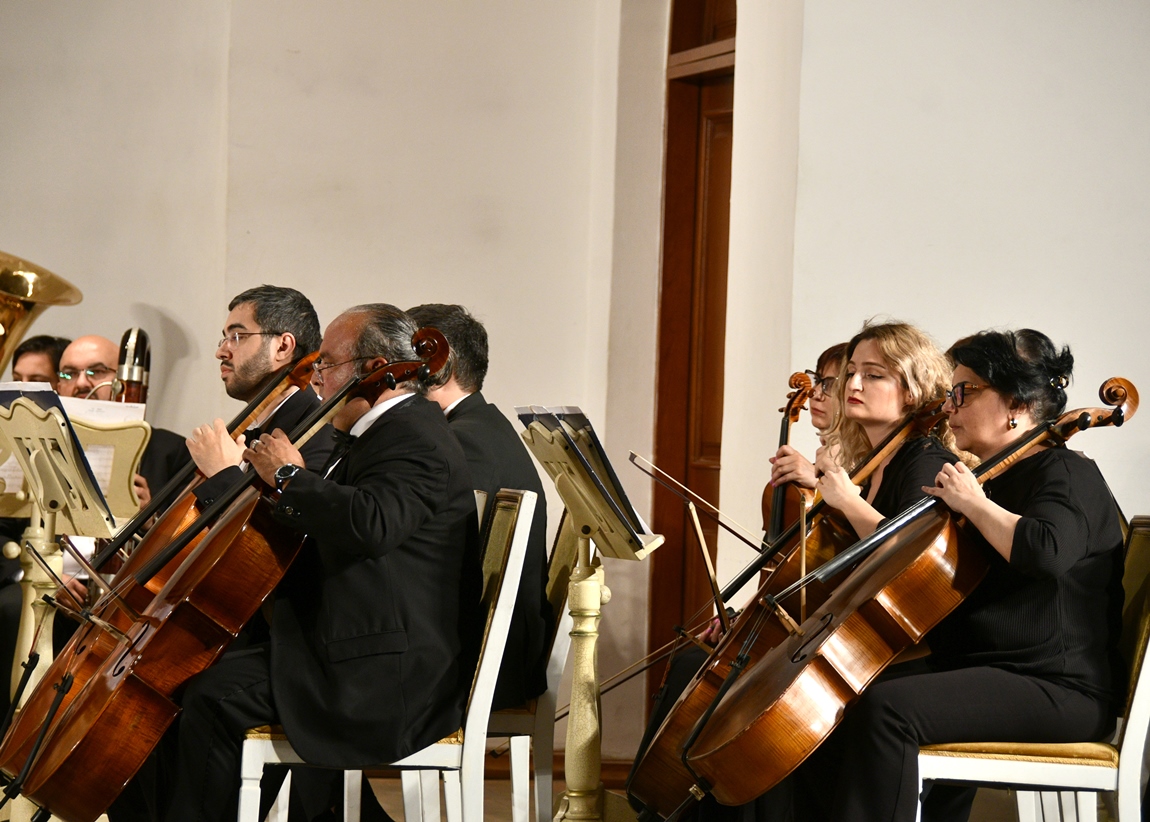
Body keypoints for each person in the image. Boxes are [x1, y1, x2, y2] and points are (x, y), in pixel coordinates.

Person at [139, 304, 481, 822]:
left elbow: (372, 524)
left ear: (371, 369)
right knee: (185, 679)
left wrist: (289, 479)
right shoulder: (380, 433)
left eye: (328, 365)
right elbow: (316, 529)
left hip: (383, 671)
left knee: (212, 697)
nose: (318, 379)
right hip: (346, 643)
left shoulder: (415, 433)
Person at [408, 302, 552, 710]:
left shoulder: (465, 441)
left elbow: (435, 557)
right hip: (492, 645)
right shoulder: (478, 425)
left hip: (485, 660)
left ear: (439, 365)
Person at [185, 285, 333, 509]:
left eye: (237, 336)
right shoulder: (246, 433)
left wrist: (224, 475)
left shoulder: (318, 433)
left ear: (283, 347)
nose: (221, 352)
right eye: (224, 338)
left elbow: (281, 535)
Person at [56, 334, 187, 504]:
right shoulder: (42, 442)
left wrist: (148, 519)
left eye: (96, 371)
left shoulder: (172, 452)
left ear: (123, 382)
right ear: (58, 387)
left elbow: (190, 527)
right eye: (69, 374)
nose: (81, 383)